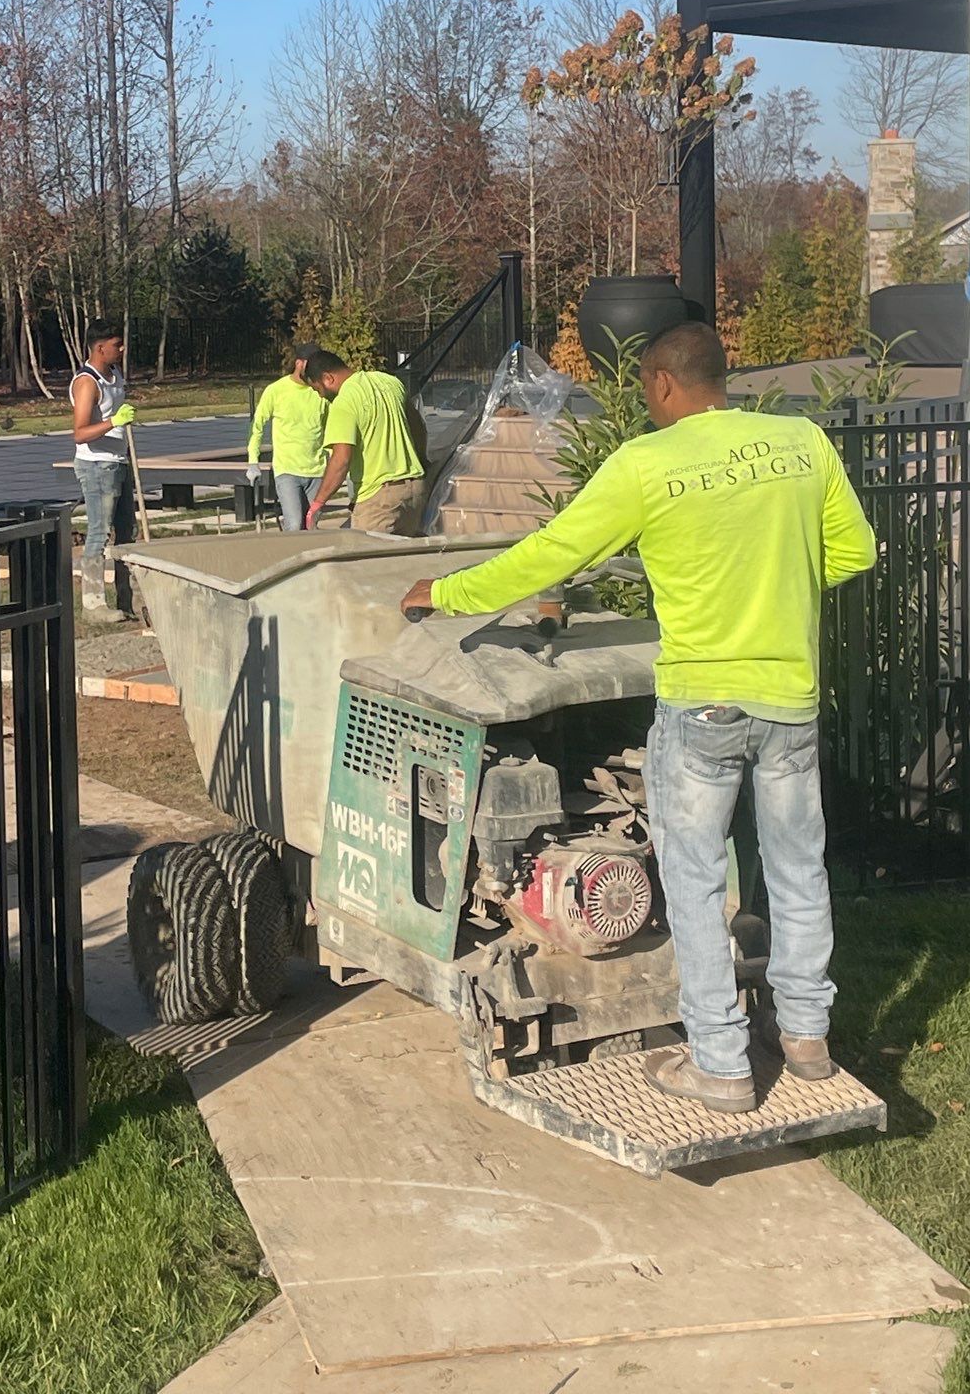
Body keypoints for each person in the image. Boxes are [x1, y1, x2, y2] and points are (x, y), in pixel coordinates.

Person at [399, 321, 877, 1114]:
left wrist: (448, 592)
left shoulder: (647, 463)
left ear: (662, 384)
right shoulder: (802, 444)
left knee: (693, 882)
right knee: (799, 868)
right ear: (723, 376)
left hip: (703, 703)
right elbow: (855, 552)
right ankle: (806, 1036)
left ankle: (721, 1063)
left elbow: (553, 553)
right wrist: (770, 580)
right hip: (790, 702)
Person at [304, 350, 428, 536]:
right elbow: (418, 428)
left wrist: (318, 503)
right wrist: (421, 460)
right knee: (404, 553)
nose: (321, 396)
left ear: (328, 378)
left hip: (378, 498)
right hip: (414, 490)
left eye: (317, 389)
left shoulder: (344, 402)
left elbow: (341, 460)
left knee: (366, 553)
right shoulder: (390, 382)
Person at [70, 321, 138, 621]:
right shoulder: (87, 382)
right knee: (99, 533)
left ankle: (127, 600)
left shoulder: (115, 374)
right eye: (116, 344)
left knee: (127, 532)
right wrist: (113, 422)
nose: (121, 349)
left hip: (118, 461)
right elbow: (79, 433)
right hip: (96, 466)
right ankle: (94, 604)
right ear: (100, 348)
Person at [246, 342, 330, 532]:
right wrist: (253, 461)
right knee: (294, 524)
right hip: (287, 470)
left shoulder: (320, 391)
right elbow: (257, 426)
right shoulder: (276, 391)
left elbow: (331, 427)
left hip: (317, 471)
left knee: (312, 525)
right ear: (299, 364)